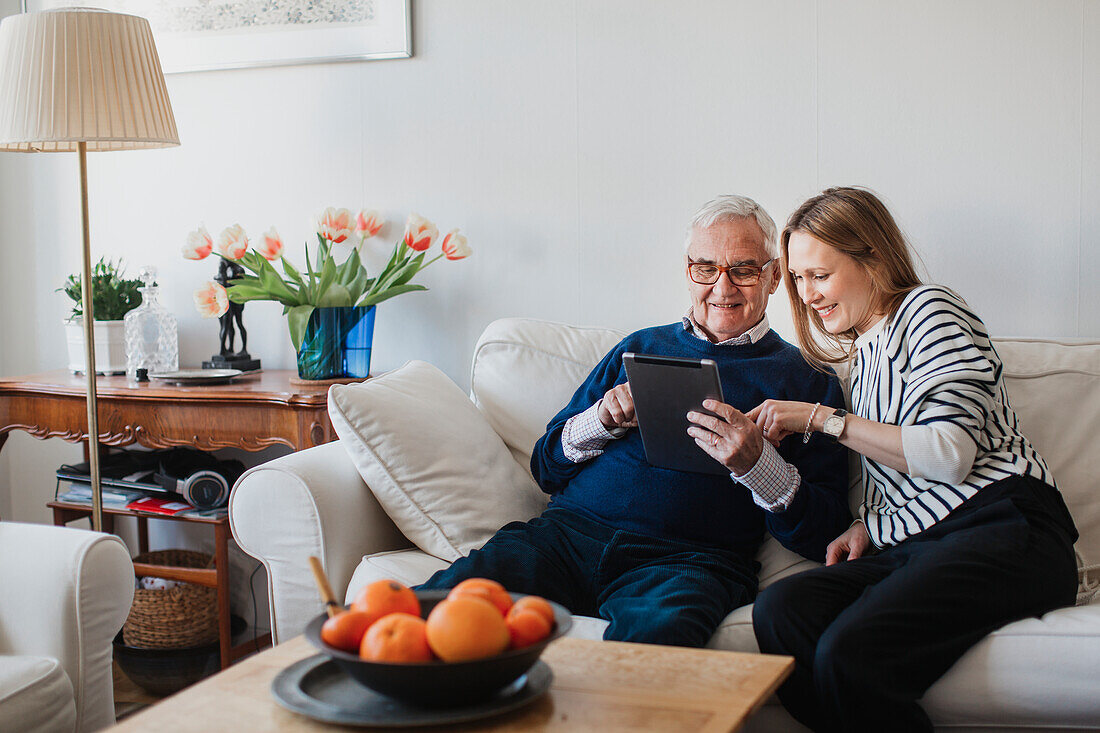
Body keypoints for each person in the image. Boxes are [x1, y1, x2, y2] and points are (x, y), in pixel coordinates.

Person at [419, 195, 850, 647]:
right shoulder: (638, 346)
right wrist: (599, 422)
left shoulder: (807, 381)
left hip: (690, 563)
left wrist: (759, 466)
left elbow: (824, 530)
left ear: (774, 276)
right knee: (437, 609)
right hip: (564, 540)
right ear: (688, 271)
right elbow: (545, 468)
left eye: (743, 270)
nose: (722, 288)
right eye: (706, 268)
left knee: (655, 651)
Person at [747, 187, 1079, 732]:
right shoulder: (863, 357)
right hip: (926, 544)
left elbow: (948, 454)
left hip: (1006, 527)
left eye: (820, 275)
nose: (807, 295)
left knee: (851, 652)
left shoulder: (927, 309)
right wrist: (869, 526)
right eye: (798, 279)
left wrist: (819, 419)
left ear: (872, 259)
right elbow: (903, 476)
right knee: (781, 611)